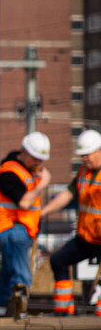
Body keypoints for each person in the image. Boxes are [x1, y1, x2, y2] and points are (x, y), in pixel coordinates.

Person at [0, 131, 57, 317]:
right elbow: (24, 202)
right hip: (12, 230)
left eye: (40, 161)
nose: (38, 164)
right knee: (21, 276)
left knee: (7, 274)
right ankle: (18, 317)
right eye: (35, 159)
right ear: (24, 152)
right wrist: (43, 184)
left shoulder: (26, 171)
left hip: (21, 230)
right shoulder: (7, 174)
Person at [48, 129, 101, 315]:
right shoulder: (83, 173)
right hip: (86, 238)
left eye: (87, 155)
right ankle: (63, 310)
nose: (84, 159)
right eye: (82, 155)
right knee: (58, 260)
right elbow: (67, 195)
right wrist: (43, 212)